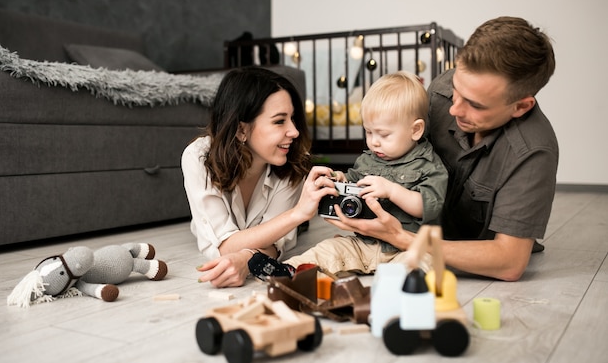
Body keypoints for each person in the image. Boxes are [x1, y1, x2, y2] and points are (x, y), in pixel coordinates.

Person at [325, 16, 558, 282]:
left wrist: (400, 238)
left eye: (476, 105)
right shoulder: (440, 91)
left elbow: (509, 262)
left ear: (520, 106)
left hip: (442, 251)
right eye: (456, 90)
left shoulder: (532, 153)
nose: (454, 109)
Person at [248, 71, 448, 279]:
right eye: (368, 132)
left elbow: (428, 207)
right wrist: (341, 180)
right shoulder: (369, 159)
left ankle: (393, 286)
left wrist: (391, 190)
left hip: (406, 248)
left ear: (415, 130)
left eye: (384, 134)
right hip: (364, 244)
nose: (374, 142)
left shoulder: (429, 165)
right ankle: (290, 271)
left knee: (421, 262)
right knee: (331, 248)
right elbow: (354, 181)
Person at [182, 66, 337, 288]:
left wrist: (247, 260)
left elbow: (275, 243)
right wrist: (298, 214)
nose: (294, 132)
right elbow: (225, 247)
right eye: (279, 121)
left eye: (292, 119)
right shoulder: (198, 157)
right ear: (241, 130)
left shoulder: (292, 161)